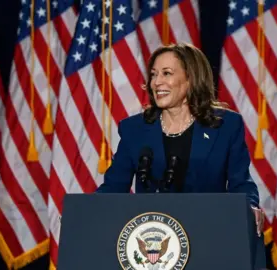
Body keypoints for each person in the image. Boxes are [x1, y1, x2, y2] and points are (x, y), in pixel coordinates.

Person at [96, 42, 263, 235]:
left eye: (166, 73)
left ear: (191, 78)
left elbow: (240, 182)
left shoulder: (226, 126)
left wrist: (249, 207)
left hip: (209, 234)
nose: (156, 82)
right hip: (153, 238)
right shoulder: (135, 129)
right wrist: (84, 210)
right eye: (153, 74)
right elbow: (114, 186)